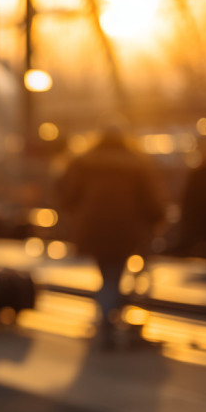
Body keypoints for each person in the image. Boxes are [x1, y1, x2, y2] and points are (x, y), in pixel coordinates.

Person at [58, 126, 164, 349]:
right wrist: (156, 219)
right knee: (114, 274)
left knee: (106, 273)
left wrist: (77, 215)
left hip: (93, 227)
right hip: (126, 228)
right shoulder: (136, 164)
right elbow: (151, 199)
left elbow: (67, 194)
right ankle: (108, 320)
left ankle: (106, 319)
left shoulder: (84, 162)